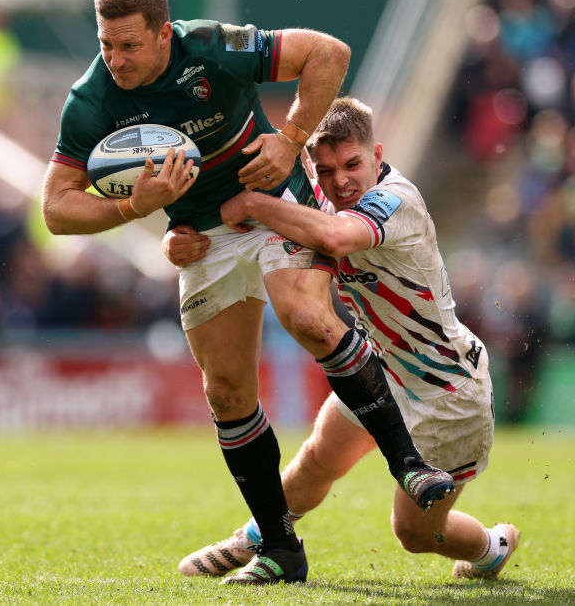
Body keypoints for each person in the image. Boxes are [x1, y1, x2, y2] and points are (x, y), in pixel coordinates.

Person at [40, 0, 454, 586]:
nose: (115, 58)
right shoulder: (92, 100)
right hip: (202, 237)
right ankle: (282, 551)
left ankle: (411, 464)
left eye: (129, 44)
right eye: (105, 43)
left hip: (274, 201)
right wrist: (134, 207)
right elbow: (55, 207)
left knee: (308, 317)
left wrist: (289, 142)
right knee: (227, 392)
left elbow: (329, 53)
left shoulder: (209, 46)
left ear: (163, 35)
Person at [166, 97, 520, 581]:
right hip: (381, 369)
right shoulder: (321, 196)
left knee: (415, 535)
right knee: (316, 459)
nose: (341, 181)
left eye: (353, 164)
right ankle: (255, 540)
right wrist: (176, 238)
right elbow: (237, 222)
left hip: (447, 390)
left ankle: (491, 548)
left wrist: (252, 205)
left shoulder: (396, 200)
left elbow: (332, 238)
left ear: (377, 155)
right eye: (327, 170)